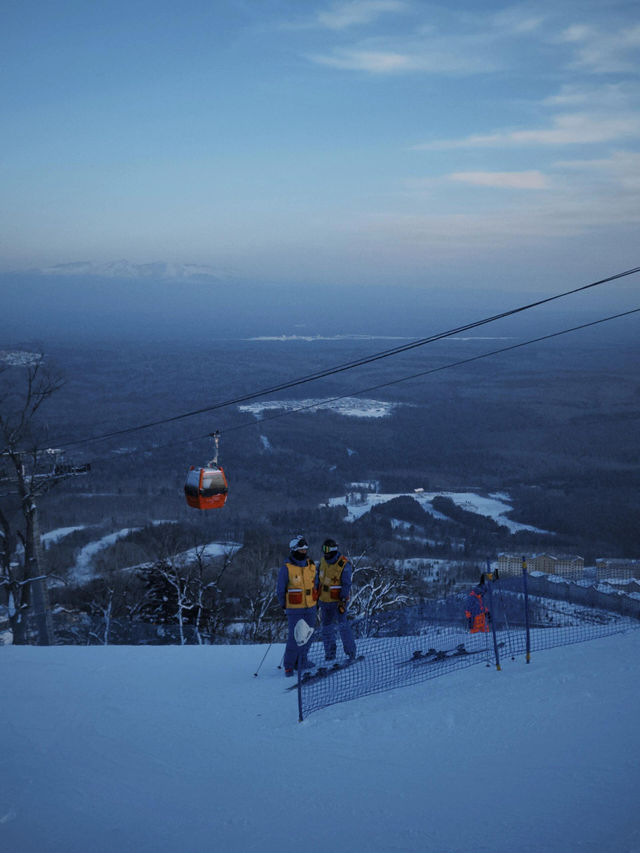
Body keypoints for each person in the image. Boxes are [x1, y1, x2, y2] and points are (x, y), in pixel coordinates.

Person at [277, 536, 318, 677]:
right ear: (294, 550)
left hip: (311, 606)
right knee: (295, 637)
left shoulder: (311, 565)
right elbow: (280, 589)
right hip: (295, 608)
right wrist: (284, 605)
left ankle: (302, 661)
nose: (304, 551)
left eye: (305, 549)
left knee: (309, 635)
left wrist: (316, 601)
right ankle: (289, 665)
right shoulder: (286, 568)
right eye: (301, 549)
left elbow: (316, 584)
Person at [316, 538, 357, 662]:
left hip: (338, 601)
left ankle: (350, 652)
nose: (325, 552)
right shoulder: (322, 561)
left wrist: (343, 600)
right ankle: (330, 653)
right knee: (326, 628)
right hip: (324, 601)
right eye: (324, 549)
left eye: (327, 550)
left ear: (334, 550)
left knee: (343, 626)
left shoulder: (343, 563)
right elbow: (318, 579)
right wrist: (315, 596)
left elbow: (346, 583)